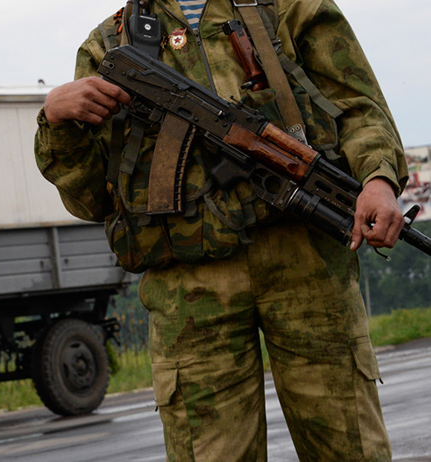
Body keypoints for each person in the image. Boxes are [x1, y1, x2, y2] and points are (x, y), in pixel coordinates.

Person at [34, 0, 409, 460]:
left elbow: (359, 105)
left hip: (307, 268)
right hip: (187, 294)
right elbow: (91, 197)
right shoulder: (111, 44)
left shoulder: (289, 8)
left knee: (351, 450)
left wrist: (378, 179)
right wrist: (56, 121)